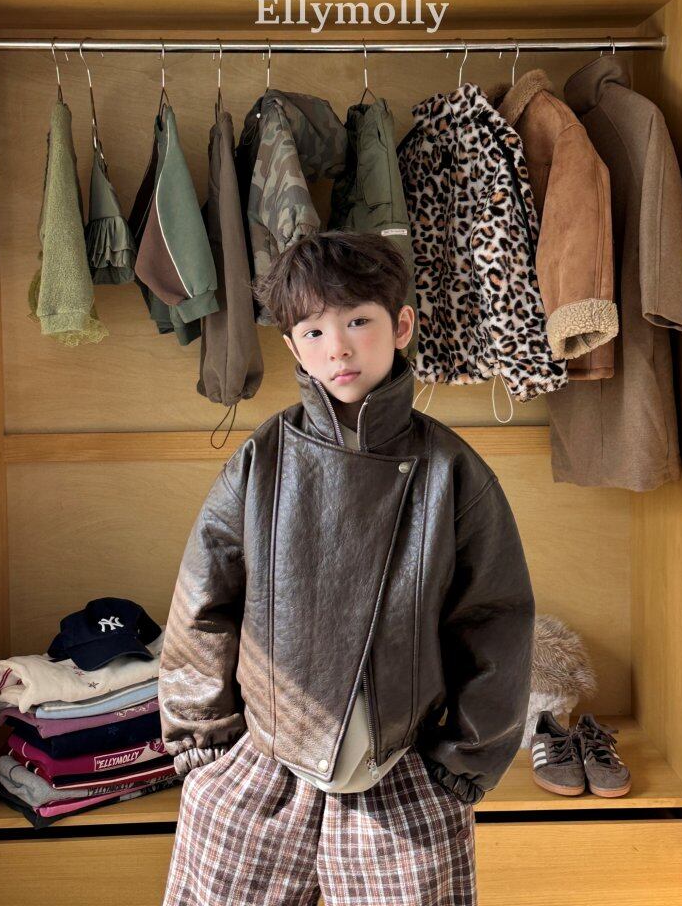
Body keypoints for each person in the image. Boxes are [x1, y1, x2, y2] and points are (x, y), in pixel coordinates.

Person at [159, 230, 535, 906]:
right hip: (261, 772)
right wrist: (203, 751)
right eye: (314, 331)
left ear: (401, 325)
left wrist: (460, 768)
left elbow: (496, 622)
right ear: (291, 346)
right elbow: (201, 603)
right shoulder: (261, 460)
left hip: (400, 776)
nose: (337, 347)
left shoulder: (452, 471)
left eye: (358, 321)